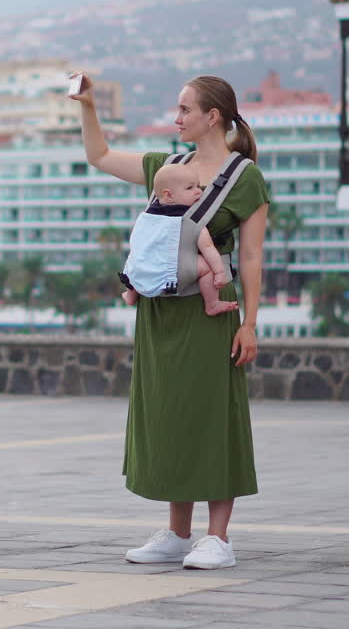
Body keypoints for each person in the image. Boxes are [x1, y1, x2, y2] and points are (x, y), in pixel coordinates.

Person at [70, 72, 269, 570]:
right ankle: (179, 534)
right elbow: (99, 157)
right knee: (170, 413)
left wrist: (249, 322)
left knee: (212, 414)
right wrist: (87, 105)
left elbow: (250, 256)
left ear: (212, 117)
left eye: (184, 110)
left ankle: (217, 537)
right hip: (160, 310)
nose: (176, 118)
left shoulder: (245, 177)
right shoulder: (169, 166)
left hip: (210, 312)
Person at [120, 162, 239, 317]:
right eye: (190, 188)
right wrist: (219, 273)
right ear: (169, 195)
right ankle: (212, 304)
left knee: (135, 261)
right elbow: (208, 247)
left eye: (198, 186)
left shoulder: (147, 217)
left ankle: (130, 296)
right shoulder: (191, 221)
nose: (198, 191)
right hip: (173, 277)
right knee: (206, 267)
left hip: (142, 274)